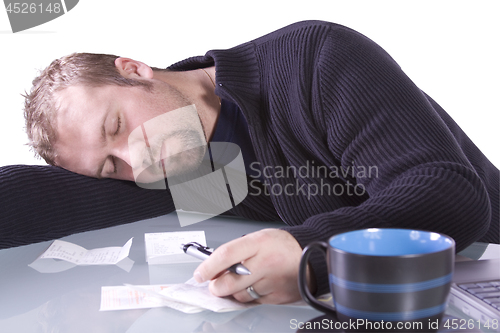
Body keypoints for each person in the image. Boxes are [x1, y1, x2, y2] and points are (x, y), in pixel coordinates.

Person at [10, 20, 500, 304]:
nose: (134, 162)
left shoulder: (315, 60)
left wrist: (312, 254)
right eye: (110, 168)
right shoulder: (186, 163)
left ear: (134, 70)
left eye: (115, 127)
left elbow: (451, 197)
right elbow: (55, 201)